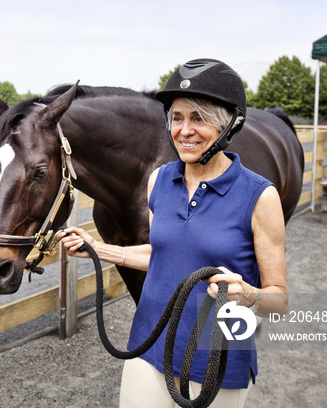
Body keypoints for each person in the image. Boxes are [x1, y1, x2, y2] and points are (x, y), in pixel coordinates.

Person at [58, 58, 289, 408]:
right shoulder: (160, 180)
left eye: (199, 118)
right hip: (150, 340)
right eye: (177, 118)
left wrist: (248, 295)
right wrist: (99, 249)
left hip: (218, 353)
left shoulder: (260, 196)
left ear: (229, 125)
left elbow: (279, 299)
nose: (184, 130)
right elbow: (163, 255)